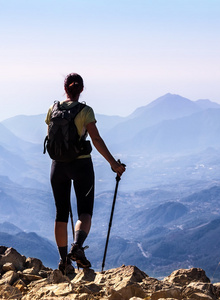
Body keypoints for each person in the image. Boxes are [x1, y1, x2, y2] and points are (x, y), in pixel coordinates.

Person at [45, 73, 126, 274]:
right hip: (81, 166)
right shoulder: (85, 111)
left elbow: (50, 137)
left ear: (65, 88)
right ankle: (77, 247)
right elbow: (96, 140)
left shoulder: (53, 109)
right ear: (81, 90)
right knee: (85, 211)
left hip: (58, 166)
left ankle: (64, 261)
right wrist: (114, 164)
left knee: (61, 213)